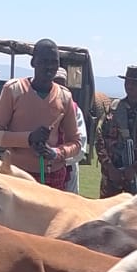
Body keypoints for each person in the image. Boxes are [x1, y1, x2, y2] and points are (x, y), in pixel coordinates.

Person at [0, 38, 80, 189]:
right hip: (16, 175)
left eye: (54, 62)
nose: (49, 67)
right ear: (33, 62)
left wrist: (56, 153)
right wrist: (29, 138)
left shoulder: (64, 96)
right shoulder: (14, 90)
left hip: (52, 177)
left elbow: (76, 143)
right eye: (44, 61)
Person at [96, 64, 137, 196]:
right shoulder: (114, 108)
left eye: (134, 82)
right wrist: (109, 167)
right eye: (127, 82)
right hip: (112, 176)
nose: (130, 86)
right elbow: (99, 138)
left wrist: (136, 167)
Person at [54, 66, 88, 194]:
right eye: (54, 83)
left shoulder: (74, 110)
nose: (58, 88)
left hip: (67, 171)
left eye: (61, 84)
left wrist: (56, 157)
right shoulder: (38, 107)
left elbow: (80, 148)